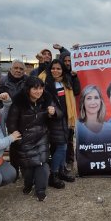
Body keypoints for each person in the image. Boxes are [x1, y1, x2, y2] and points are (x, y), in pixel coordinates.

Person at [6, 76, 56, 201]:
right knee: (27, 168)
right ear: (28, 89)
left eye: (41, 88)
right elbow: (11, 123)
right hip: (25, 140)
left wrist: (52, 113)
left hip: (41, 137)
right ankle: (28, 184)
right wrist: (18, 139)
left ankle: (40, 189)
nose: (38, 91)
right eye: (35, 88)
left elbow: (56, 116)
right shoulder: (18, 103)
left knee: (42, 164)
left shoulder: (45, 100)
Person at [42, 59, 77, 188]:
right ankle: (54, 174)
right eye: (53, 68)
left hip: (66, 118)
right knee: (61, 147)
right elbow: (47, 102)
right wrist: (55, 113)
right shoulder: (46, 83)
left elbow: (77, 90)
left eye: (58, 68)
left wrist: (75, 76)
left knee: (64, 146)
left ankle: (61, 171)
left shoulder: (65, 81)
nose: (55, 71)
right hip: (54, 119)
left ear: (63, 70)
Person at [56, 44, 81, 168]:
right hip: (57, 114)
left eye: (69, 61)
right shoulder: (57, 75)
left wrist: (75, 77)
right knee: (59, 141)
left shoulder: (72, 75)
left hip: (69, 114)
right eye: (65, 61)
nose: (67, 63)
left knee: (69, 140)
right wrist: (62, 49)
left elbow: (76, 91)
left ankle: (69, 161)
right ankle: (59, 164)